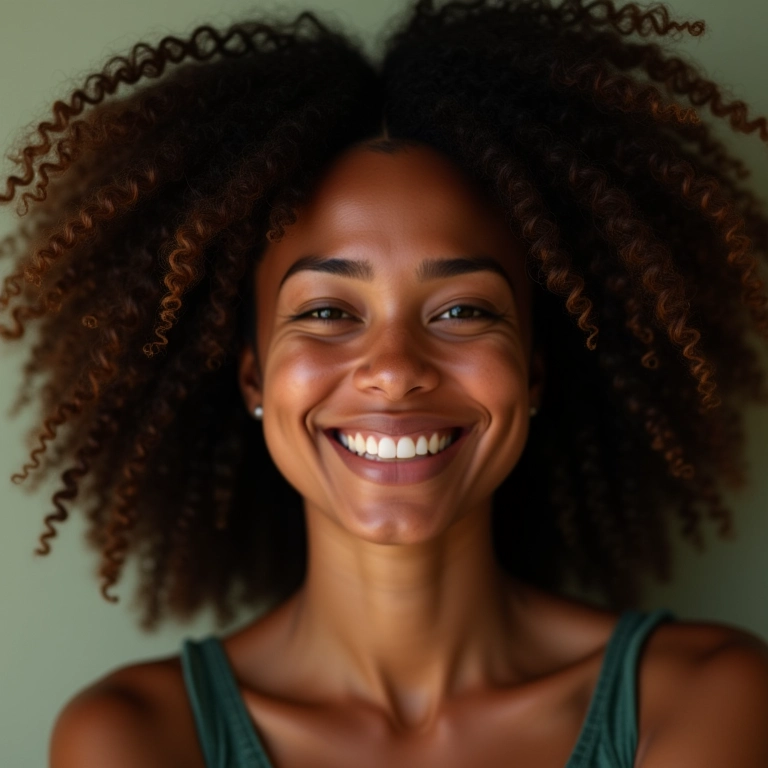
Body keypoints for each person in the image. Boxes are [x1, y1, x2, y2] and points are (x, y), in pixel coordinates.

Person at [1, 0, 767, 765]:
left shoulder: (706, 698)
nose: (395, 369)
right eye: (330, 310)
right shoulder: (134, 738)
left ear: (532, 372)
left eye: (463, 309)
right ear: (253, 375)